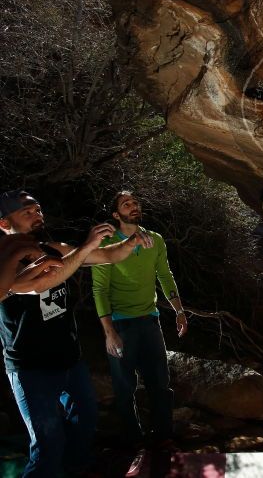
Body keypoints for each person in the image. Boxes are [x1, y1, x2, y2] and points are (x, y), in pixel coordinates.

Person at [0, 189, 153, 477]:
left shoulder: (52, 247)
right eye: (27, 212)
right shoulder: (4, 260)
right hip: (31, 366)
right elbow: (47, 281)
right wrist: (84, 247)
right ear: (4, 224)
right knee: (47, 442)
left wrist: (131, 241)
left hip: (69, 359)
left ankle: (75, 470)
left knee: (84, 422)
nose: (37, 215)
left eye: (38, 209)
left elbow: (108, 255)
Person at [91, 190, 188, 448]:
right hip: (121, 324)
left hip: (150, 320)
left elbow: (165, 276)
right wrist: (109, 331)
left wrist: (179, 310)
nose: (133, 206)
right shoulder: (106, 245)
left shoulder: (154, 239)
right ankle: (133, 443)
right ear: (116, 214)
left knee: (160, 383)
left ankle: (163, 438)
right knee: (124, 388)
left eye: (135, 202)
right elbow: (99, 289)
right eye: (126, 204)